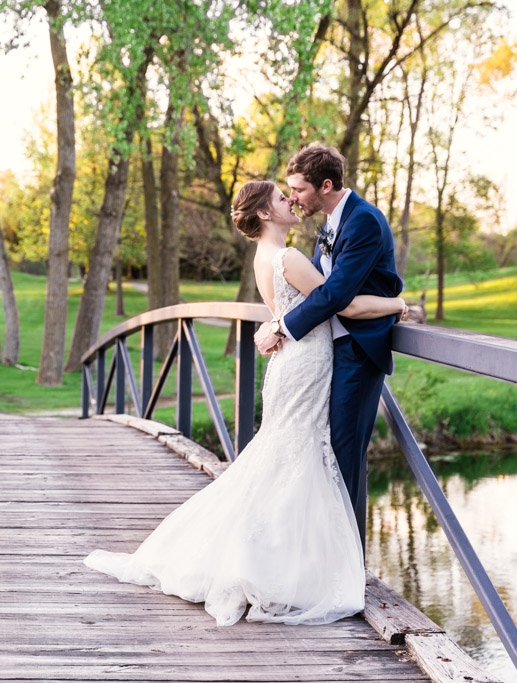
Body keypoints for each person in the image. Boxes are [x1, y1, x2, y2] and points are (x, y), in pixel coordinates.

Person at [83, 179, 406, 626]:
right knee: (298, 456)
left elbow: (302, 306)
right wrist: (397, 302)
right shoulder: (290, 258)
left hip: (289, 364)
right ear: (266, 214)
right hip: (307, 362)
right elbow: (342, 303)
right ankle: (291, 567)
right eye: (281, 197)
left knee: (283, 456)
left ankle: (275, 558)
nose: (291, 200)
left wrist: (279, 326)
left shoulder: (264, 258)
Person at [254, 145, 404, 545]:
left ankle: (348, 559)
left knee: (343, 451)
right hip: (328, 351)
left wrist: (283, 327)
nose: (293, 198)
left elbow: (337, 295)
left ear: (324, 185)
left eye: (298, 190)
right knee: (325, 453)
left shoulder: (365, 222)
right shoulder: (331, 222)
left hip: (357, 349)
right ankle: (323, 552)